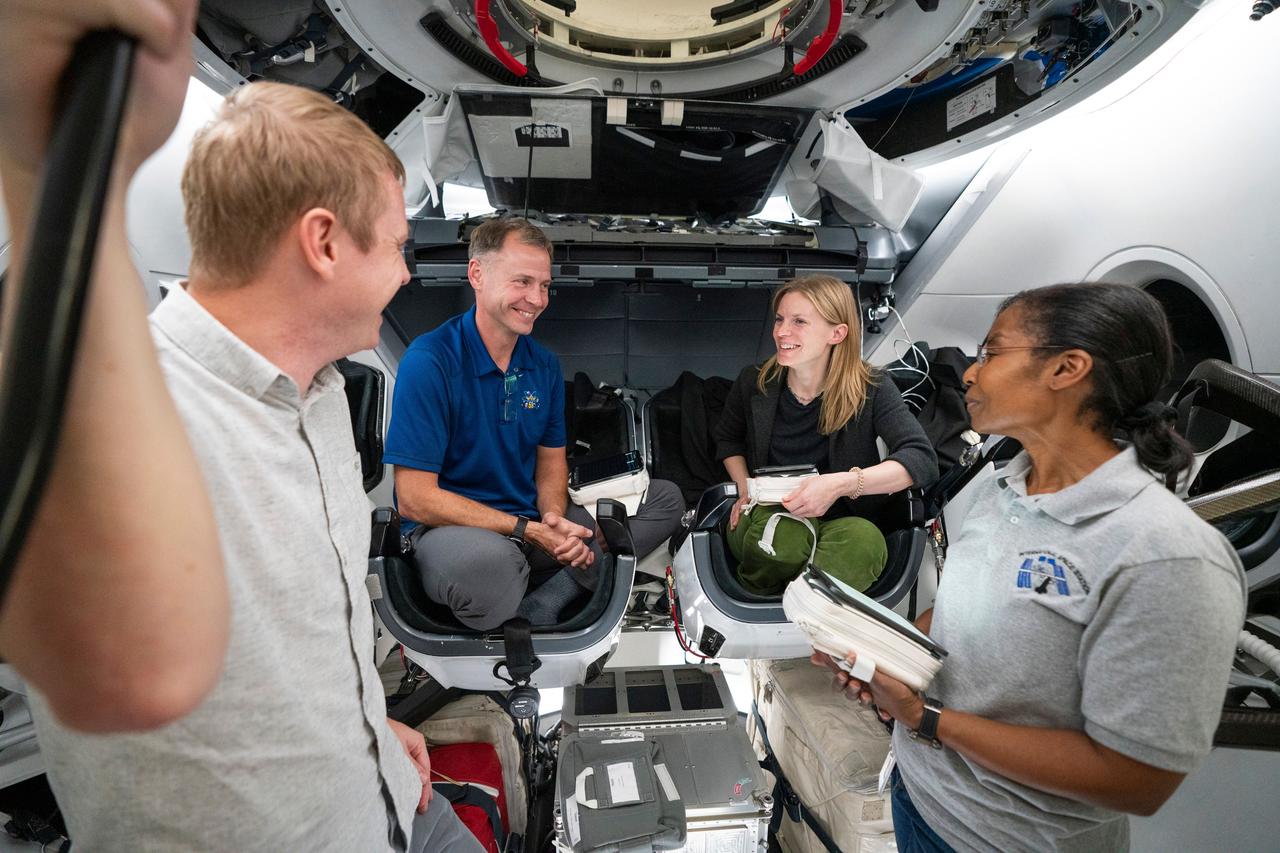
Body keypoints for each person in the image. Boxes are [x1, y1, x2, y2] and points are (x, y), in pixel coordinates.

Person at [22, 80, 482, 852]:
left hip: (393, 799)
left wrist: (368, 719)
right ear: (324, 241)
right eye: (397, 245)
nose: (406, 273)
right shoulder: (95, 423)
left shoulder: (329, 395)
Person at [819, 282, 1247, 852]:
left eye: (992, 353)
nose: (969, 373)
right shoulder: (1002, 491)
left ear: (1067, 368)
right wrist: (885, 654)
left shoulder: (1167, 555)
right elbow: (958, 621)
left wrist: (924, 716)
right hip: (920, 796)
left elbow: (1135, 780)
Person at [0, 0, 228, 732]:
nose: (406, 273)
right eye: (392, 245)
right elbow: (132, 666)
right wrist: (45, 153)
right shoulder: (186, 393)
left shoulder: (313, 406)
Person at [386, 217, 684, 629]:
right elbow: (415, 499)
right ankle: (555, 574)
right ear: (477, 274)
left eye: (544, 285)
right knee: (490, 574)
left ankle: (548, 597)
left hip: (530, 521)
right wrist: (529, 531)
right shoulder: (431, 360)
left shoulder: (542, 364)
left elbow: (551, 462)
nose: (537, 298)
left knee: (664, 499)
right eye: (522, 281)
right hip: (452, 530)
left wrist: (554, 516)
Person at [714, 275, 937, 585]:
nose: (781, 331)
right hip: (765, 512)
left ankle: (811, 614)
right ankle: (765, 606)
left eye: (799, 322)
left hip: (841, 520)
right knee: (786, 539)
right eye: (779, 319)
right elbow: (727, 439)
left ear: (837, 333)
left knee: (866, 543)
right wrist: (743, 490)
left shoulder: (872, 387)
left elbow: (921, 460)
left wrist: (840, 485)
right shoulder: (754, 381)